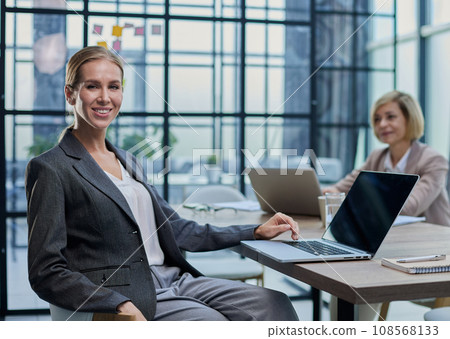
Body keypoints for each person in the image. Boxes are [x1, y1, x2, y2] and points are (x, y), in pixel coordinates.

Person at [25, 46, 300, 321]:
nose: (105, 97)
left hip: (175, 279)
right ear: (70, 94)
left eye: (114, 86)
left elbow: (179, 229)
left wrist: (254, 231)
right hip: (124, 293)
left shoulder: (128, 161)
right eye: (92, 86)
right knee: (213, 324)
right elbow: (45, 270)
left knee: (274, 304)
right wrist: (117, 304)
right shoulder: (51, 168)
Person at [323, 90, 450, 227]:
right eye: (377, 119)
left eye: (390, 117)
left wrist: (357, 199)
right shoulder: (377, 157)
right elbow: (338, 190)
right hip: (392, 237)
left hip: (432, 241)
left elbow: (409, 208)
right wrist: (332, 193)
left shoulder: (434, 161)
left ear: (409, 119)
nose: (382, 124)